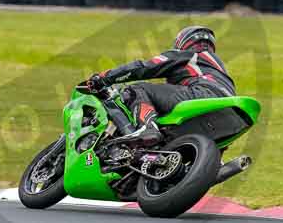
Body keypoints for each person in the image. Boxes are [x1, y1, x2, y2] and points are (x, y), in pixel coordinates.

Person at [86, 26, 236, 146]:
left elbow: (144, 67)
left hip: (202, 94)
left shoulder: (190, 54)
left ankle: (147, 128)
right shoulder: (218, 69)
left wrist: (105, 77)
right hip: (230, 112)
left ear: (183, 42)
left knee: (139, 89)